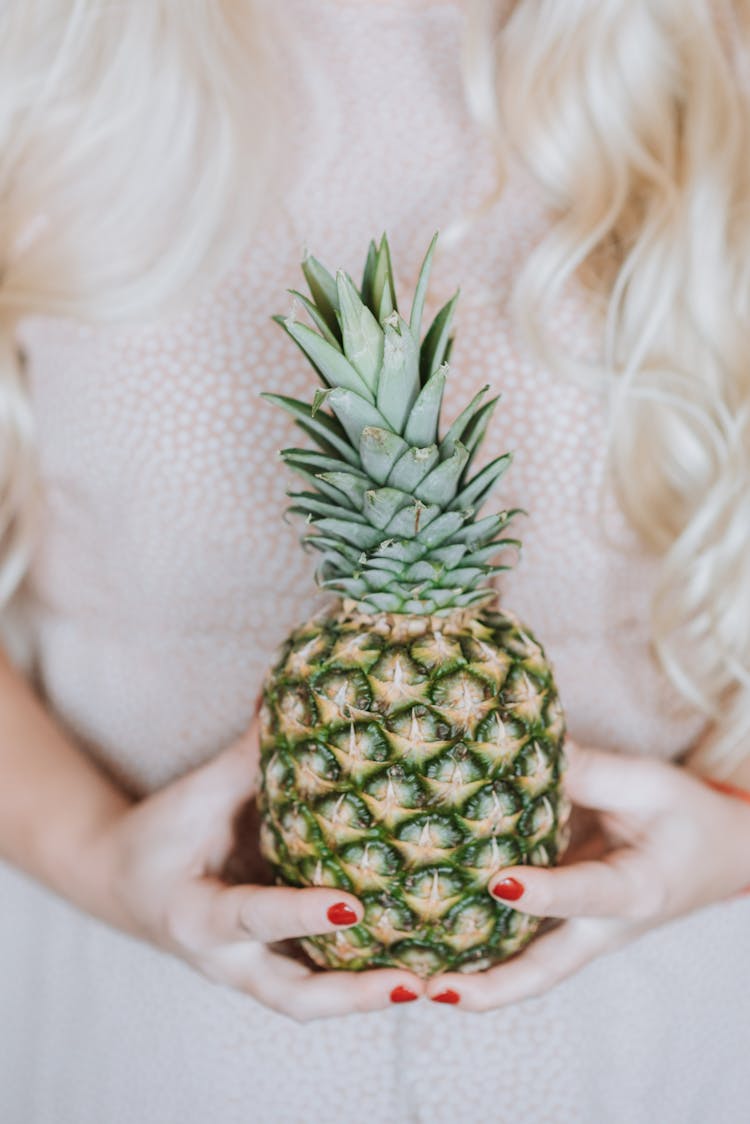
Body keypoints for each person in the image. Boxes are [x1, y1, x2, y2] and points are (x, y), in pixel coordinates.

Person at [1, 0, 749, 1121]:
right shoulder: (38, 70)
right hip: (138, 1047)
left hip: (660, 1050)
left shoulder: (718, 63)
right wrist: (92, 850)